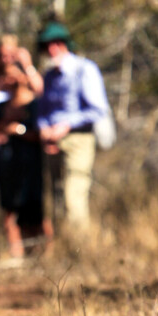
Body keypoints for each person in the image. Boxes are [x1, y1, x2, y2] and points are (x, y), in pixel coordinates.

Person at [36, 21, 110, 233]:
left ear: (65, 44)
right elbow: (43, 111)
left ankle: (81, 250)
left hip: (79, 140)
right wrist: (44, 129)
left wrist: (66, 125)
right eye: (47, 45)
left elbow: (98, 109)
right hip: (52, 143)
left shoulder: (84, 69)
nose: (52, 49)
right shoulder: (49, 76)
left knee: (73, 195)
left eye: (56, 44)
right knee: (56, 198)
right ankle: (63, 247)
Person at [0, 64, 53, 259]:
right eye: (6, 77)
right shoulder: (0, 106)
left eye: (13, 76)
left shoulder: (35, 104)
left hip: (30, 166)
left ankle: (45, 256)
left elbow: (41, 134)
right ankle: (17, 258)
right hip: (6, 166)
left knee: (35, 212)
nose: (10, 81)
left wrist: (19, 130)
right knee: (10, 211)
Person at [0, 35, 44, 116]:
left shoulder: (24, 79)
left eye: (11, 56)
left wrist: (28, 64)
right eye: (1, 55)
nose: (6, 60)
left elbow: (40, 90)